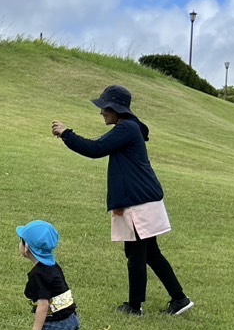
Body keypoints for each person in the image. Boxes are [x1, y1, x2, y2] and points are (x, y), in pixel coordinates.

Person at [51, 84, 193, 317]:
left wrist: (67, 134)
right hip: (142, 199)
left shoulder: (127, 128)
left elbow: (95, 149)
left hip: (139, 202)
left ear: (117, 109)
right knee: (150, 254)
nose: (101, 112)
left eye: (105, 108)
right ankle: (179, 299)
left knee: (136, 254)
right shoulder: (128, 127)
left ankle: (134, 307)